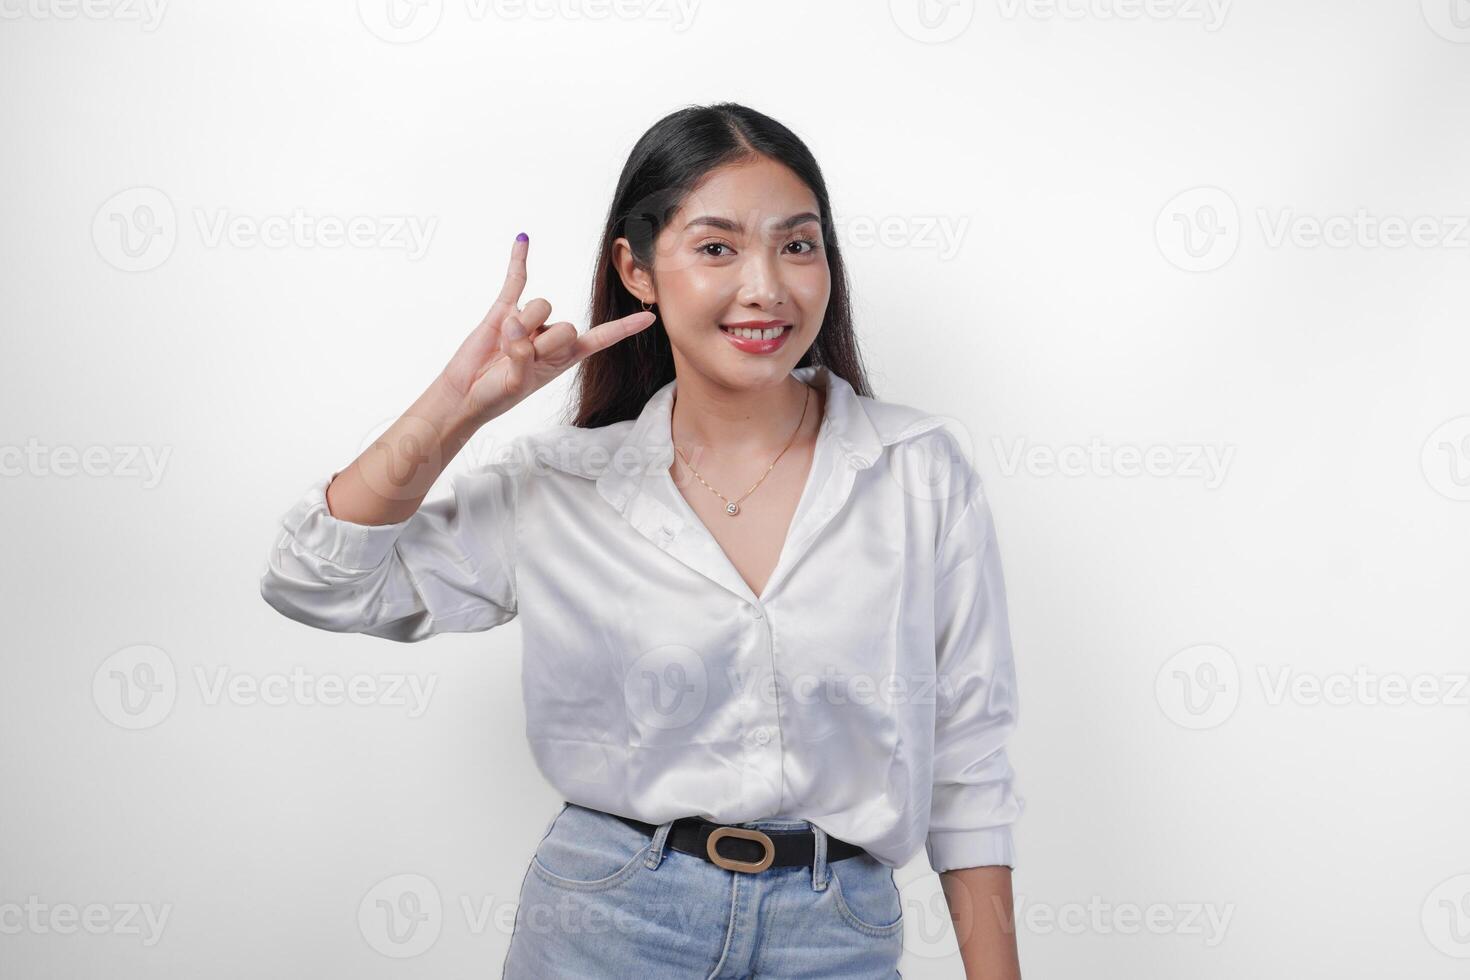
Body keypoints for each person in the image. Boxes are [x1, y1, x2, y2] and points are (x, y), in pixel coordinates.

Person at [259, 102, 1023, 979]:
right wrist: (459, 407)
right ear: (637, 268)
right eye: (716, 246)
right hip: (608, 923)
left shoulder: (918, 471)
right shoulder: (561, 486)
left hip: (836, 932)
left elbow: (969, 759)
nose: (766, 285)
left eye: (797, 245)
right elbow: (315, 580)